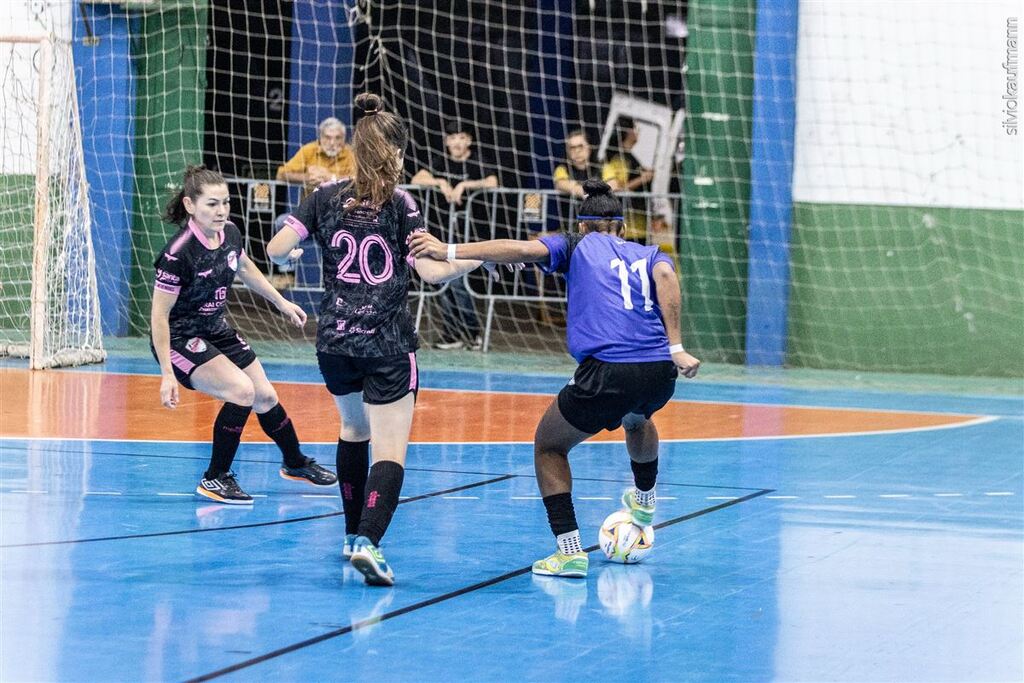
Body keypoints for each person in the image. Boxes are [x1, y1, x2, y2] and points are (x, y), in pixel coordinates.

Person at [409, 179, 701, 579]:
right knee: (638, 417)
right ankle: (645, 501)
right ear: (620, 226)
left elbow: (524, 248)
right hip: (659, 370)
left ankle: (569, 552)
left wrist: (449, 250)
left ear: (582, 225)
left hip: (608, 369)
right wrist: (677, 346)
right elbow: (667, 277)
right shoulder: (648, 252)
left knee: (549, 445)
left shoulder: (574, 244)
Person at [267, 93, 493, 586]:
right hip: (387, 345)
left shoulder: (325, 196)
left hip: (334, 342)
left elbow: (277, 247)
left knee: (353, 431)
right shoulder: (399, 202)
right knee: (390, 450)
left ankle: (351, 536)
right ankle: (368, 540)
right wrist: (483, 257)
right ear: (394, 155)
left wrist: (291, 257)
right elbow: (433, 273)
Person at [151, 165, 338, 505]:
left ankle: (294, 462)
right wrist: (167, 374)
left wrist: (282, 303)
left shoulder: (231, 233)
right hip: (180, 337)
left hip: (214, 328)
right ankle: (214, 478)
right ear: (190, 205)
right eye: (211, 204)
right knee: (241, 390)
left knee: (264, 396)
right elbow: (159, 317)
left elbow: (246, 268)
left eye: (225, 202)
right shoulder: (178, 253)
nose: (220, 210)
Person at [410, 120, 499, 350]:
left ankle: (471, 332)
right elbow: (416, 179)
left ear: (468, 140)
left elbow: (492, 181)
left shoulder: (477, 162)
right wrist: (440, 182)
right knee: (443, 282)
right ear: (447, 141)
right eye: (452, 138)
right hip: (441, 233)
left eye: (461, 137)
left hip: (467, 232)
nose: (456, 142)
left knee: (458, 283)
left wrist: (464, 185)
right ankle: (452, 334)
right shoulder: (440, 162)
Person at [272, 117, 356, 288]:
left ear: (344, 139)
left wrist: (330, 178)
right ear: (320, 137)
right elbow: (282, 174)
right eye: (327, 137)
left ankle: (343, 282)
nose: (332, 142)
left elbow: (359, 179)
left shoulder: (350, 154)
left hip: (341, 217)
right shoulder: (309, 151)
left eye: (337, 138)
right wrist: (307, 178)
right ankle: (287, 268)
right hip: (310, 215)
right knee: (281, 222)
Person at [602, 117, 655, 242]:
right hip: (627, 228)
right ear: (628, 132)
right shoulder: (619, 158)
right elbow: (618, 188)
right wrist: (643, 178)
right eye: (636, 129)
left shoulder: (630, 157)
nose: (638, 132)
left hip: (640, 225)